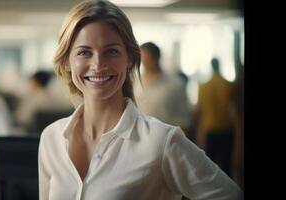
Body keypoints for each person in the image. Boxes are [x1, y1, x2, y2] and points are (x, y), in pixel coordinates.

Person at [38, 1, 242, 199]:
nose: (98, 64)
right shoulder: (51, 138)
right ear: (67, 62)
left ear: (130, 59)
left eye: (111, 51)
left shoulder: (161, 142)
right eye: (84, 52)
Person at [195, 57, 242, 178]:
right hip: (226, 128)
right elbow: (236, 112)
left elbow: (200, 111)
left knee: (210, 165)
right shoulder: (229, 85)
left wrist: (199, 133)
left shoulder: (203, 87)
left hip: (209, 128)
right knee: (226, 165)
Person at [135, 42, 191, 132]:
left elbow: (183, 119)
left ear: (156, 58)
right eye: (142, 59)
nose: (144, 62)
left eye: (147, 59)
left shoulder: (175, 84)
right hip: (140, 137)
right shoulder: (135, 83)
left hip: (167, 138)